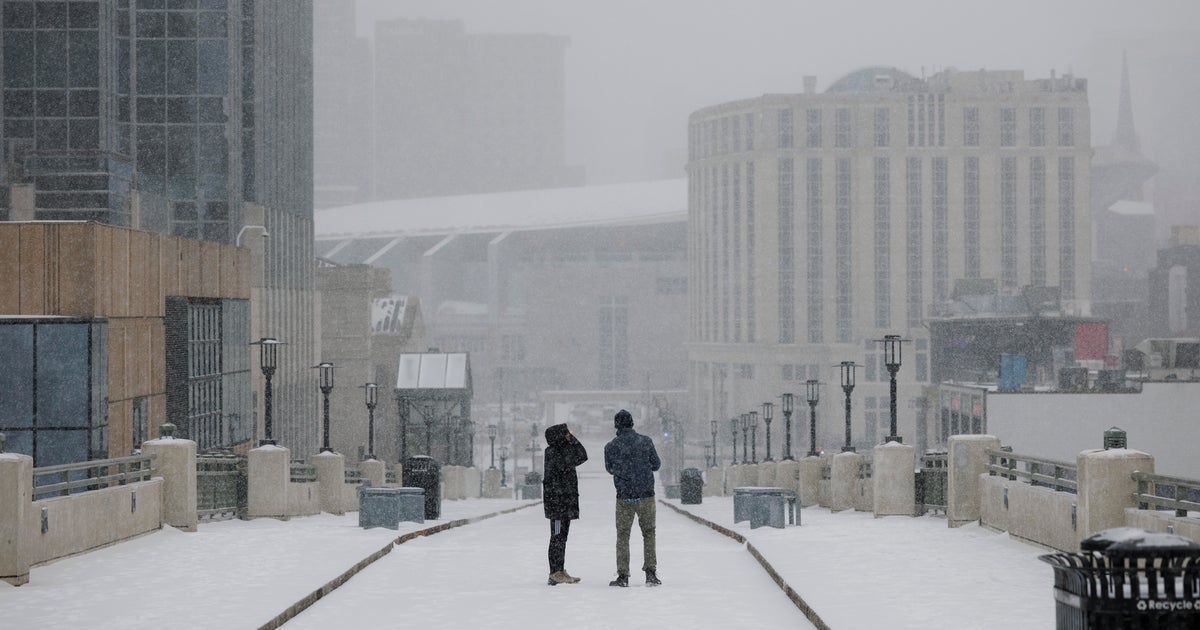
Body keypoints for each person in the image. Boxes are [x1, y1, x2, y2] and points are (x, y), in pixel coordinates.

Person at [603, 409, 662, 587]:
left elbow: (610, 468)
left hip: (624, 497)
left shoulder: (611, 446)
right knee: (649, 533)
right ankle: (650, 573)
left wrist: (625, 474)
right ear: (632, 424)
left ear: (616, 426)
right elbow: (656, 465)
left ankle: (623, 576)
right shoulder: (646, 442)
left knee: (623, 535)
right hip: (645, 495)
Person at [542, 422, 588, 586]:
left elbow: (583, 455)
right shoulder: (553, 452)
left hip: (565, 503)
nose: (569, 435)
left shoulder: (563, 450)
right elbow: (576, 458)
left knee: (562, 537)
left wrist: (572, 440)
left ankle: (560, 570)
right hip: (557, 505)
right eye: (567, 433)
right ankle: (555, 572)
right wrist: (570, 442)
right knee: (557, 538)